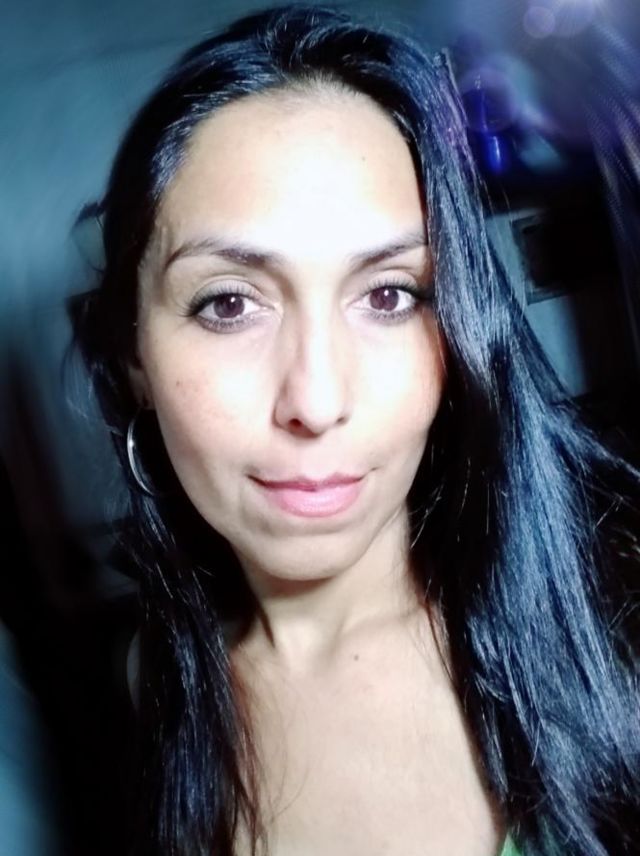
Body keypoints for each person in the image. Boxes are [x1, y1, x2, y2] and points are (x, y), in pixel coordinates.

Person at [70, 4, 640, 855]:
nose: (317, 399)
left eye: (389, 295)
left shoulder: (616, 627)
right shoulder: (151, 676)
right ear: (133, 358)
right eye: (228, 304)